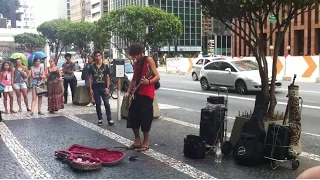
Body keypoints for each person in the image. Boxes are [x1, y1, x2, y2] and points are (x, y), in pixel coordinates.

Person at [124, 44, 160, 152]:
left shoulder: (148, 60)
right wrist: (128, 92)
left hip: (147, 94)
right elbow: (134, 80)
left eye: (136, 55)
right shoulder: (137, 63)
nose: (135, 57)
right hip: (137, 93)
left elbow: (157, 76)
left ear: (141, 52)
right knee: (132, 116)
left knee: (145, 118)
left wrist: (148, 81)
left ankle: (145, 143)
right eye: (134, 56)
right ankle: (137, 141)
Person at [88, 50, 115, 126]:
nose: (98, 57)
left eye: (99, 55)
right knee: (98, 104)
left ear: (101, 56)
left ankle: (109, 119)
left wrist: (107, 87)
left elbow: (107, 77)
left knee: (106, 103)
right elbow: (90, 78)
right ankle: (100, 119)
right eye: (96, 56)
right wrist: (90, 89)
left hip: (104, 87)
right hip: (95, 87)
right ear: (94, 57)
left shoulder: (105, 66)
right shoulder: (91, 67)